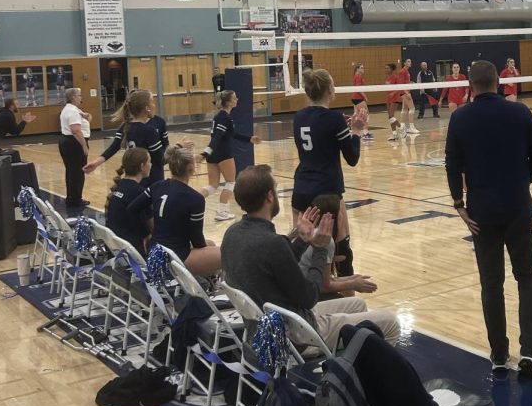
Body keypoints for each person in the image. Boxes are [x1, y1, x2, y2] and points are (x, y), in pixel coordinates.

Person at [220, 165, 399, 348]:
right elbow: (310, 297)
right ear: (270, 196)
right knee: (391, 322)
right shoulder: (272, 243)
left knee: (356, 304)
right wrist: (320, 249)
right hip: (294, 337)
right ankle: (348, 373)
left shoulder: (232, 233)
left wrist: (302, 239)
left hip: (265, 326)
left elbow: (278, 262)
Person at [445, 60, 532, 376]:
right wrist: (524, 181)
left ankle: (499, 354)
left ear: (470, 86)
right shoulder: (519, 112)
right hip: (518, 207)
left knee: (492, 284)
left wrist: (459, 204)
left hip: (481, 214)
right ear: (499, 82)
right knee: (527, 278)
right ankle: (528, 352)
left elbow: (451, 165)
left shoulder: (460, 118)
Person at [292, 68, 363, 271]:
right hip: (327, 191)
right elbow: (352, 158)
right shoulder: (334, 119)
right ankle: (347, 298)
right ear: (330, 90)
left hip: (301, 189)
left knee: (302, 248)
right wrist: (356, 131)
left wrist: (341, 129)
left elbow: (318, 134)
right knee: (341, 253)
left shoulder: (299, 117)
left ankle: (306, 297)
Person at [129, 144, 220, 277]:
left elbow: (132, 209)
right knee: (225, 253)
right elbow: (197, 241)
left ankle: (205, 284)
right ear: (190, 168)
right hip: (175, 257)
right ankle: (211, 288)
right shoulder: (195, 199)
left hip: (155, 251)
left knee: (210, 244)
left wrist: (146, 234)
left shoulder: (157, 186)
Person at [201, 89, 261, 221]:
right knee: (230, 182)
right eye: (234, 98)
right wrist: (204, 153)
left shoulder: (221, 116)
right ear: (228, 102)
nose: (237, 100)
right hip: (222, 154)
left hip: (214, 154)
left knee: (212, 185)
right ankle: (221, 212)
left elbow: (231, 134)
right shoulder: (224, 118)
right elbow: (216, 138)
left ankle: (191, 201)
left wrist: (248, 139)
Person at [84, 88, 166, 184]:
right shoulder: (149, 131)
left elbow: (114, 147)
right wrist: (179, 148)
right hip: (152, 180)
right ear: (147, 108)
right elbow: (161, 160)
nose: (154, 105)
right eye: (152, 102)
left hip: (134, 180)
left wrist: (96, 163)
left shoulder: (127, 126)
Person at [105, 146, 152, 251]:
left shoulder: (119, 186)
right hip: (131, 250)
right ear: (142, 166)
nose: (151, 165)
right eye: (149, 162)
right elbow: (152, 227)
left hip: (114, 247)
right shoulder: (140, 193)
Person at [58, 87, 91, 212]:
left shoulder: (72, 110)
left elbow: (87, 121)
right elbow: (76, 130)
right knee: (77, 171)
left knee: (72, 171)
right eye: (79, 95)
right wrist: (84, 145)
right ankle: (76, 199)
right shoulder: (72, 111)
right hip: (74, 143)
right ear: (73, 97)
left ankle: (72, 197)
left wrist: (86, 115)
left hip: (68, 142)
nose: (81, 97)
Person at [351, 63, 373, 140]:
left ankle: (357, 133)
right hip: (358, 98)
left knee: (357, 115)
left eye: (363, 67)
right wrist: (365, 96)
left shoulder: (356, 75)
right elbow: (358, 88)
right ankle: (366, 133)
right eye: (361, 67)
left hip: (354, 98)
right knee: (366, 114)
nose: (363, 69)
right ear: (357, 69)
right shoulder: (358, 76)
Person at [384, 62, 404, 141]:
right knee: (390, 117)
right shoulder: (387, 78)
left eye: (387, 68)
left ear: (392, 69)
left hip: (395, 99)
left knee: (391, 116)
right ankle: (394, 134)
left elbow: (399, 87)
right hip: (388, 99)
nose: (386, 69)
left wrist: (393, 93)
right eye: (385, 68)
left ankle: (402, 128)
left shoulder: (395, 77)